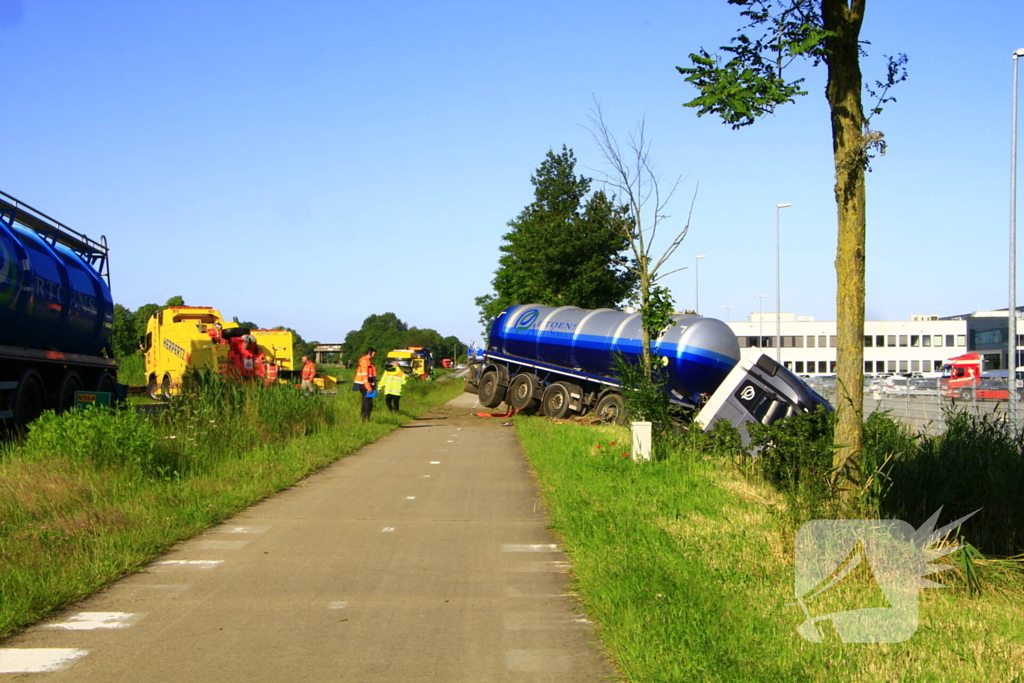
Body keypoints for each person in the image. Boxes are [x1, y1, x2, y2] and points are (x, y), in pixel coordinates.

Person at [353, 347, 377, 420]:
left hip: (368, 384)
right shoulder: (365, 362)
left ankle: (365, 418)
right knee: (367, 402)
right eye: (374, 354)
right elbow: (364, 375)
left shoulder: (368, 362)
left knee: (368, 401)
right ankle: (365, 418)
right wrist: (368, 387)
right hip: (365, 385)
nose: (374, 356)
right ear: (370, 353)